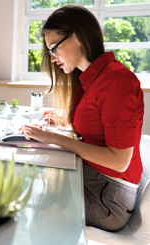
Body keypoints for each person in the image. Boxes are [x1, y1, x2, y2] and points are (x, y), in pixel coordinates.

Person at [22, 4, 144, 232]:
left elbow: (119, 161)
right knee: (29, 176)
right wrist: (65, 120)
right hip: (96, 180)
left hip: (108, 200)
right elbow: (98, 126)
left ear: (77, 37)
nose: (53, 57)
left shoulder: (116, 82)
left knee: (28, 204)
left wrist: (53, 138)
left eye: (54, 48)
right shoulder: (90, 80)